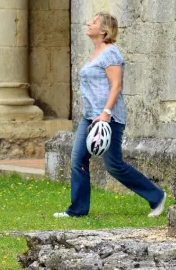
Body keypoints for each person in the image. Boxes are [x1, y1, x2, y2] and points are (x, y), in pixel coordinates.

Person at [54, 12, 167, 218]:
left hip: (109, 118)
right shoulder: (96, 53)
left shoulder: (110, 53)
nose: (89, 23)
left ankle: (157, 196)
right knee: (78, 160)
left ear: (103, 30)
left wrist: (106, 113)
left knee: (114, 165)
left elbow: (116, 86)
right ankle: (77, 210)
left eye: (94, 22)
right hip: (90, 117)